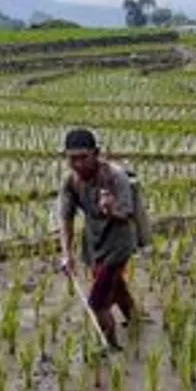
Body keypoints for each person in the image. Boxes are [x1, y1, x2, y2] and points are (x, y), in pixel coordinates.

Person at [57, 127, 138, 351]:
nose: (78, 164)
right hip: (94, 244)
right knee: (117, 287)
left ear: (96, 153)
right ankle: (135, 321)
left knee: (98, 302)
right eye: (72, 159)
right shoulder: (71, 182)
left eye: (83, 157)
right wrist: (67, 254)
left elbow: (127, 215)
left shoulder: (115, 177)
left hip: (118, 244)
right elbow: (66, 218)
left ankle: (112, 348)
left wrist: (111, 210)